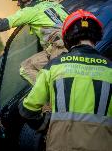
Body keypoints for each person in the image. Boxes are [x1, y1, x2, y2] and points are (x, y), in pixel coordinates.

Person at [18, 9, 112, 151]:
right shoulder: (110, 69)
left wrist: (46, 126)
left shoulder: (54, 67)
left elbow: (27, 110)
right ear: (97, 36)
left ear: (67, 38)